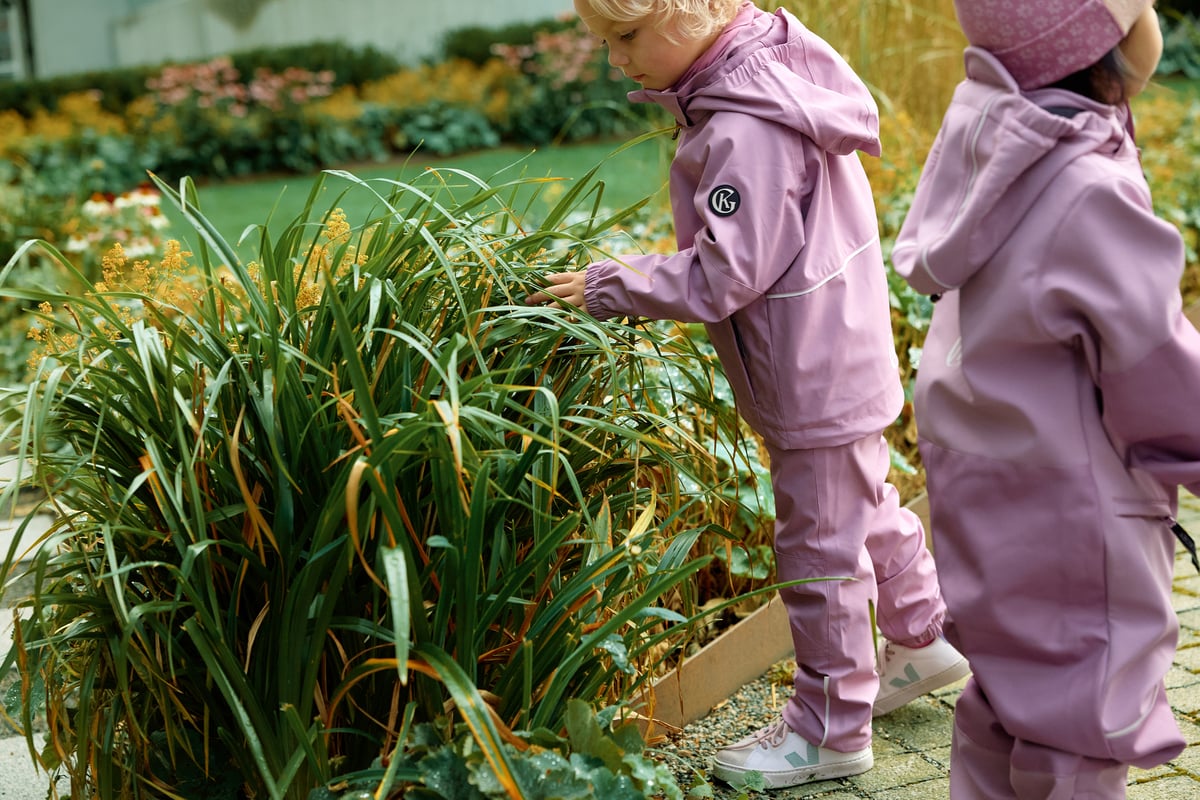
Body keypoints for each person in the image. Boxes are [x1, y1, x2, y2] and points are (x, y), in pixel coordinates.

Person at [526, 0, 968, 789]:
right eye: (604, 42)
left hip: (806, 365)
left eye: (625, 36)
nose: (614, 60)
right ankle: (922, 634)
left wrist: (612, 282)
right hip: (838, 343)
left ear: (694, 10)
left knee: (818, 550)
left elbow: (727, 271)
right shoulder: (771, 69)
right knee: (859, 502)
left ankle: (829, 728)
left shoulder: (745, 124)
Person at [892, 1, 1200, 797]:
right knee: (1078, 732)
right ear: (1113, 35)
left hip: (989, 510)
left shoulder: (988, 142)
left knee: (999, 704)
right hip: (1073, 530)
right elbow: (1159, 372)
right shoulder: (1085, 190)